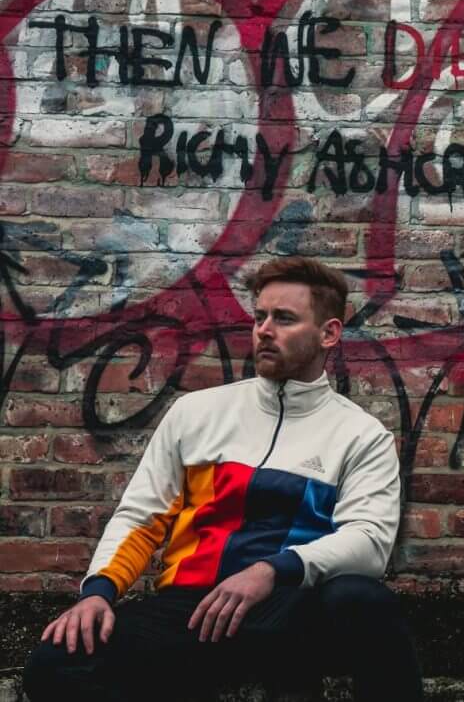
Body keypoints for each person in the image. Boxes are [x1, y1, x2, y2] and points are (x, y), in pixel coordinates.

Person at [26, 258, 421, 701]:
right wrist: (98, 592)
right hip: (192, 610)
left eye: (284, 319)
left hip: (287, 610)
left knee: (363, 600)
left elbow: (369, 543)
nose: (264, 330)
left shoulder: (361, 435)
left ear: (329, 333)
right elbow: (141, 516)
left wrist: (271, 570)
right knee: (57, 660)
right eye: (260, 317)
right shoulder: (197, 413)